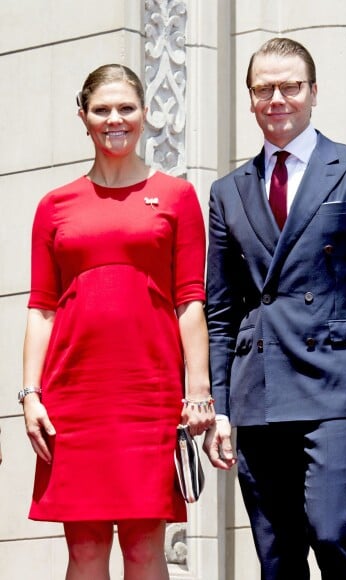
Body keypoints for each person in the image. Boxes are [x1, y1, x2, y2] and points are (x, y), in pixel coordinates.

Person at [203, 37, 346, 579]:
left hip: (336, 385)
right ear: (250, 100)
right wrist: (221, 407)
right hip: (260, 391)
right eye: (263, 89)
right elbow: (222, 310)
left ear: (313, 92)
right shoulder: (228, 191)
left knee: (329, 528)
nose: (277, 98)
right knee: (278, 559)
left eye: (290, 86)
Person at [21, 64, 213, 580]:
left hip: (149, 395)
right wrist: (30, 394)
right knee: (83, 550)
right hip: (73, 398)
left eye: (126, 108)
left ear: (145, 115)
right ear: (82, 117)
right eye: (102, 109)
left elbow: (190, 300)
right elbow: (41, 307)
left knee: (144, 548)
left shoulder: (176, 197)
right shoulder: (53, 206)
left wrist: (197, 391)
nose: (115, 119)